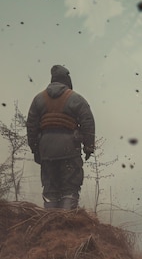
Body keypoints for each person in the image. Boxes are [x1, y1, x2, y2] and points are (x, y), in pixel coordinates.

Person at [26, 65, 95, 210]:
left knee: (50, 190)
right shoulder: (76, 98)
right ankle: (66, 224)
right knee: (70, 189)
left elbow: (31, 126)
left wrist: (35, 149)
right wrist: (88, 147)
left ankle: (51, 225)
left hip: (46, 151)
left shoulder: (39, 99)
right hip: (69, 150)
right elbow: (88, 123)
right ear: (67, 80)